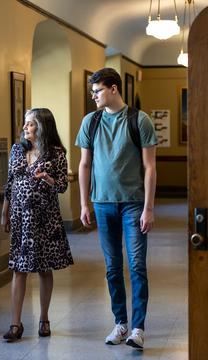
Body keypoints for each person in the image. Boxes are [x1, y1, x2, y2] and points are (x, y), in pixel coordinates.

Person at [75, 68, 157, 350]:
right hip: (103, 204)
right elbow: (84, 164)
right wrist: (84, 202)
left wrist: (148, 207)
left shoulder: (139, 120)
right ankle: (120, 323)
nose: (94, 96)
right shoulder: (91, 121)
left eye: (97, 91)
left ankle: (138, 328)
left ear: (113, 89)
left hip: (134, 205)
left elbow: (149, 167)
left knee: (136, 266)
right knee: (112, 267)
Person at [1, 108, 74, 342]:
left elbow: (62, 185)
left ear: (41, 127)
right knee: (19, 268)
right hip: (21, 218)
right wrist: (5, 212)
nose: (24, 128)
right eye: (25, 123)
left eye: (30, 124)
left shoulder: (56, 153)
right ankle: (15, 323)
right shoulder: (17, 150)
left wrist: (48, 178)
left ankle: (44, 318)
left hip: (45, 218)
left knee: (44, 268)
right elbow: (10, 182)